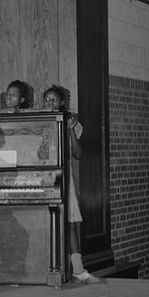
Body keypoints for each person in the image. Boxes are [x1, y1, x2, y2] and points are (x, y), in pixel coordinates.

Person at [43, 85, 101, 284]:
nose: (49, 103)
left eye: (53, 100)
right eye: (46, 99)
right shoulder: (40, 120)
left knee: (71, 223)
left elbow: (77, 154)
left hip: (64, 177)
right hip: (43, 176)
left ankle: (78, 269)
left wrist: (69, 131)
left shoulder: (71, 122)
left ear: (61, 103)